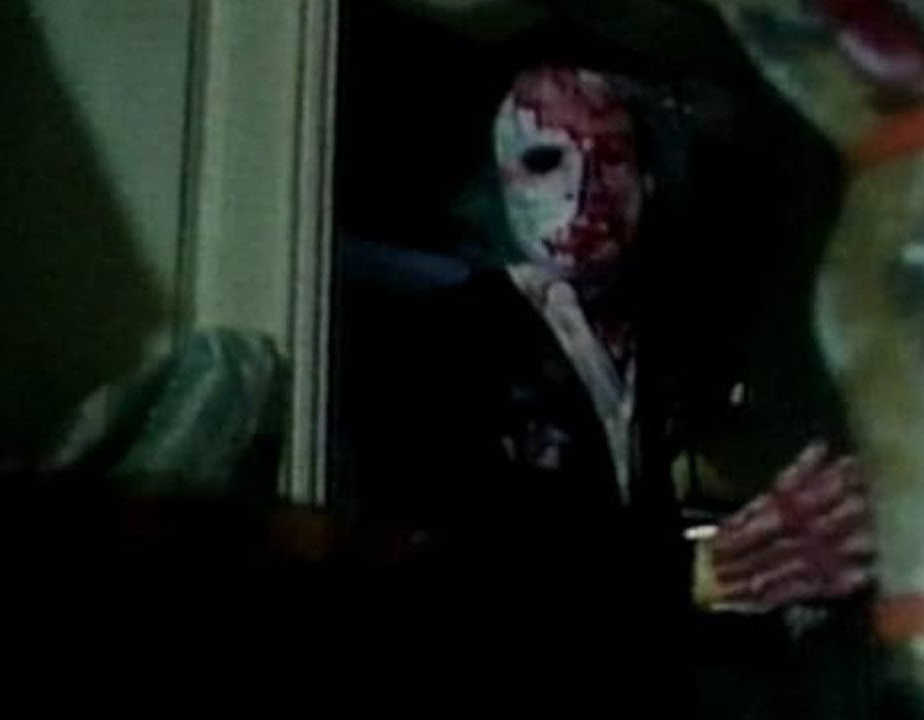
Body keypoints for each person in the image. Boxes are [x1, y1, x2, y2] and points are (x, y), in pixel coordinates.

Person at [336, 65, 873, 716]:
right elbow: (455, 564)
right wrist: (688, 575)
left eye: (613, 160)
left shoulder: (652, 352)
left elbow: (635, 553)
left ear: (647, 183)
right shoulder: (432, 342)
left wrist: (775, 598)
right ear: (503, 185)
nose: (585, 188)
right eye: (545, 161)